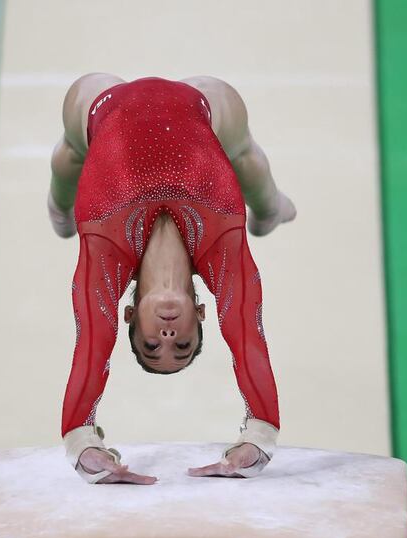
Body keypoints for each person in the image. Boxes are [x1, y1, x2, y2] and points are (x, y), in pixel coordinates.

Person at [49, 74, 296, 484]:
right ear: (202, 312)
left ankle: (58, 211)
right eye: (183, 344)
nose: (167, 337)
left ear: (127, 314)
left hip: (102, 103)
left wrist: (83, 446)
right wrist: (259, 438)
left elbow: (90, 349)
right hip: (201, 105)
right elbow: (248, 338)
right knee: (244, 155)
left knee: (72, 155)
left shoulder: (106, 256)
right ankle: (270, 209)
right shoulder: (220, 250)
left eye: (151, 344)